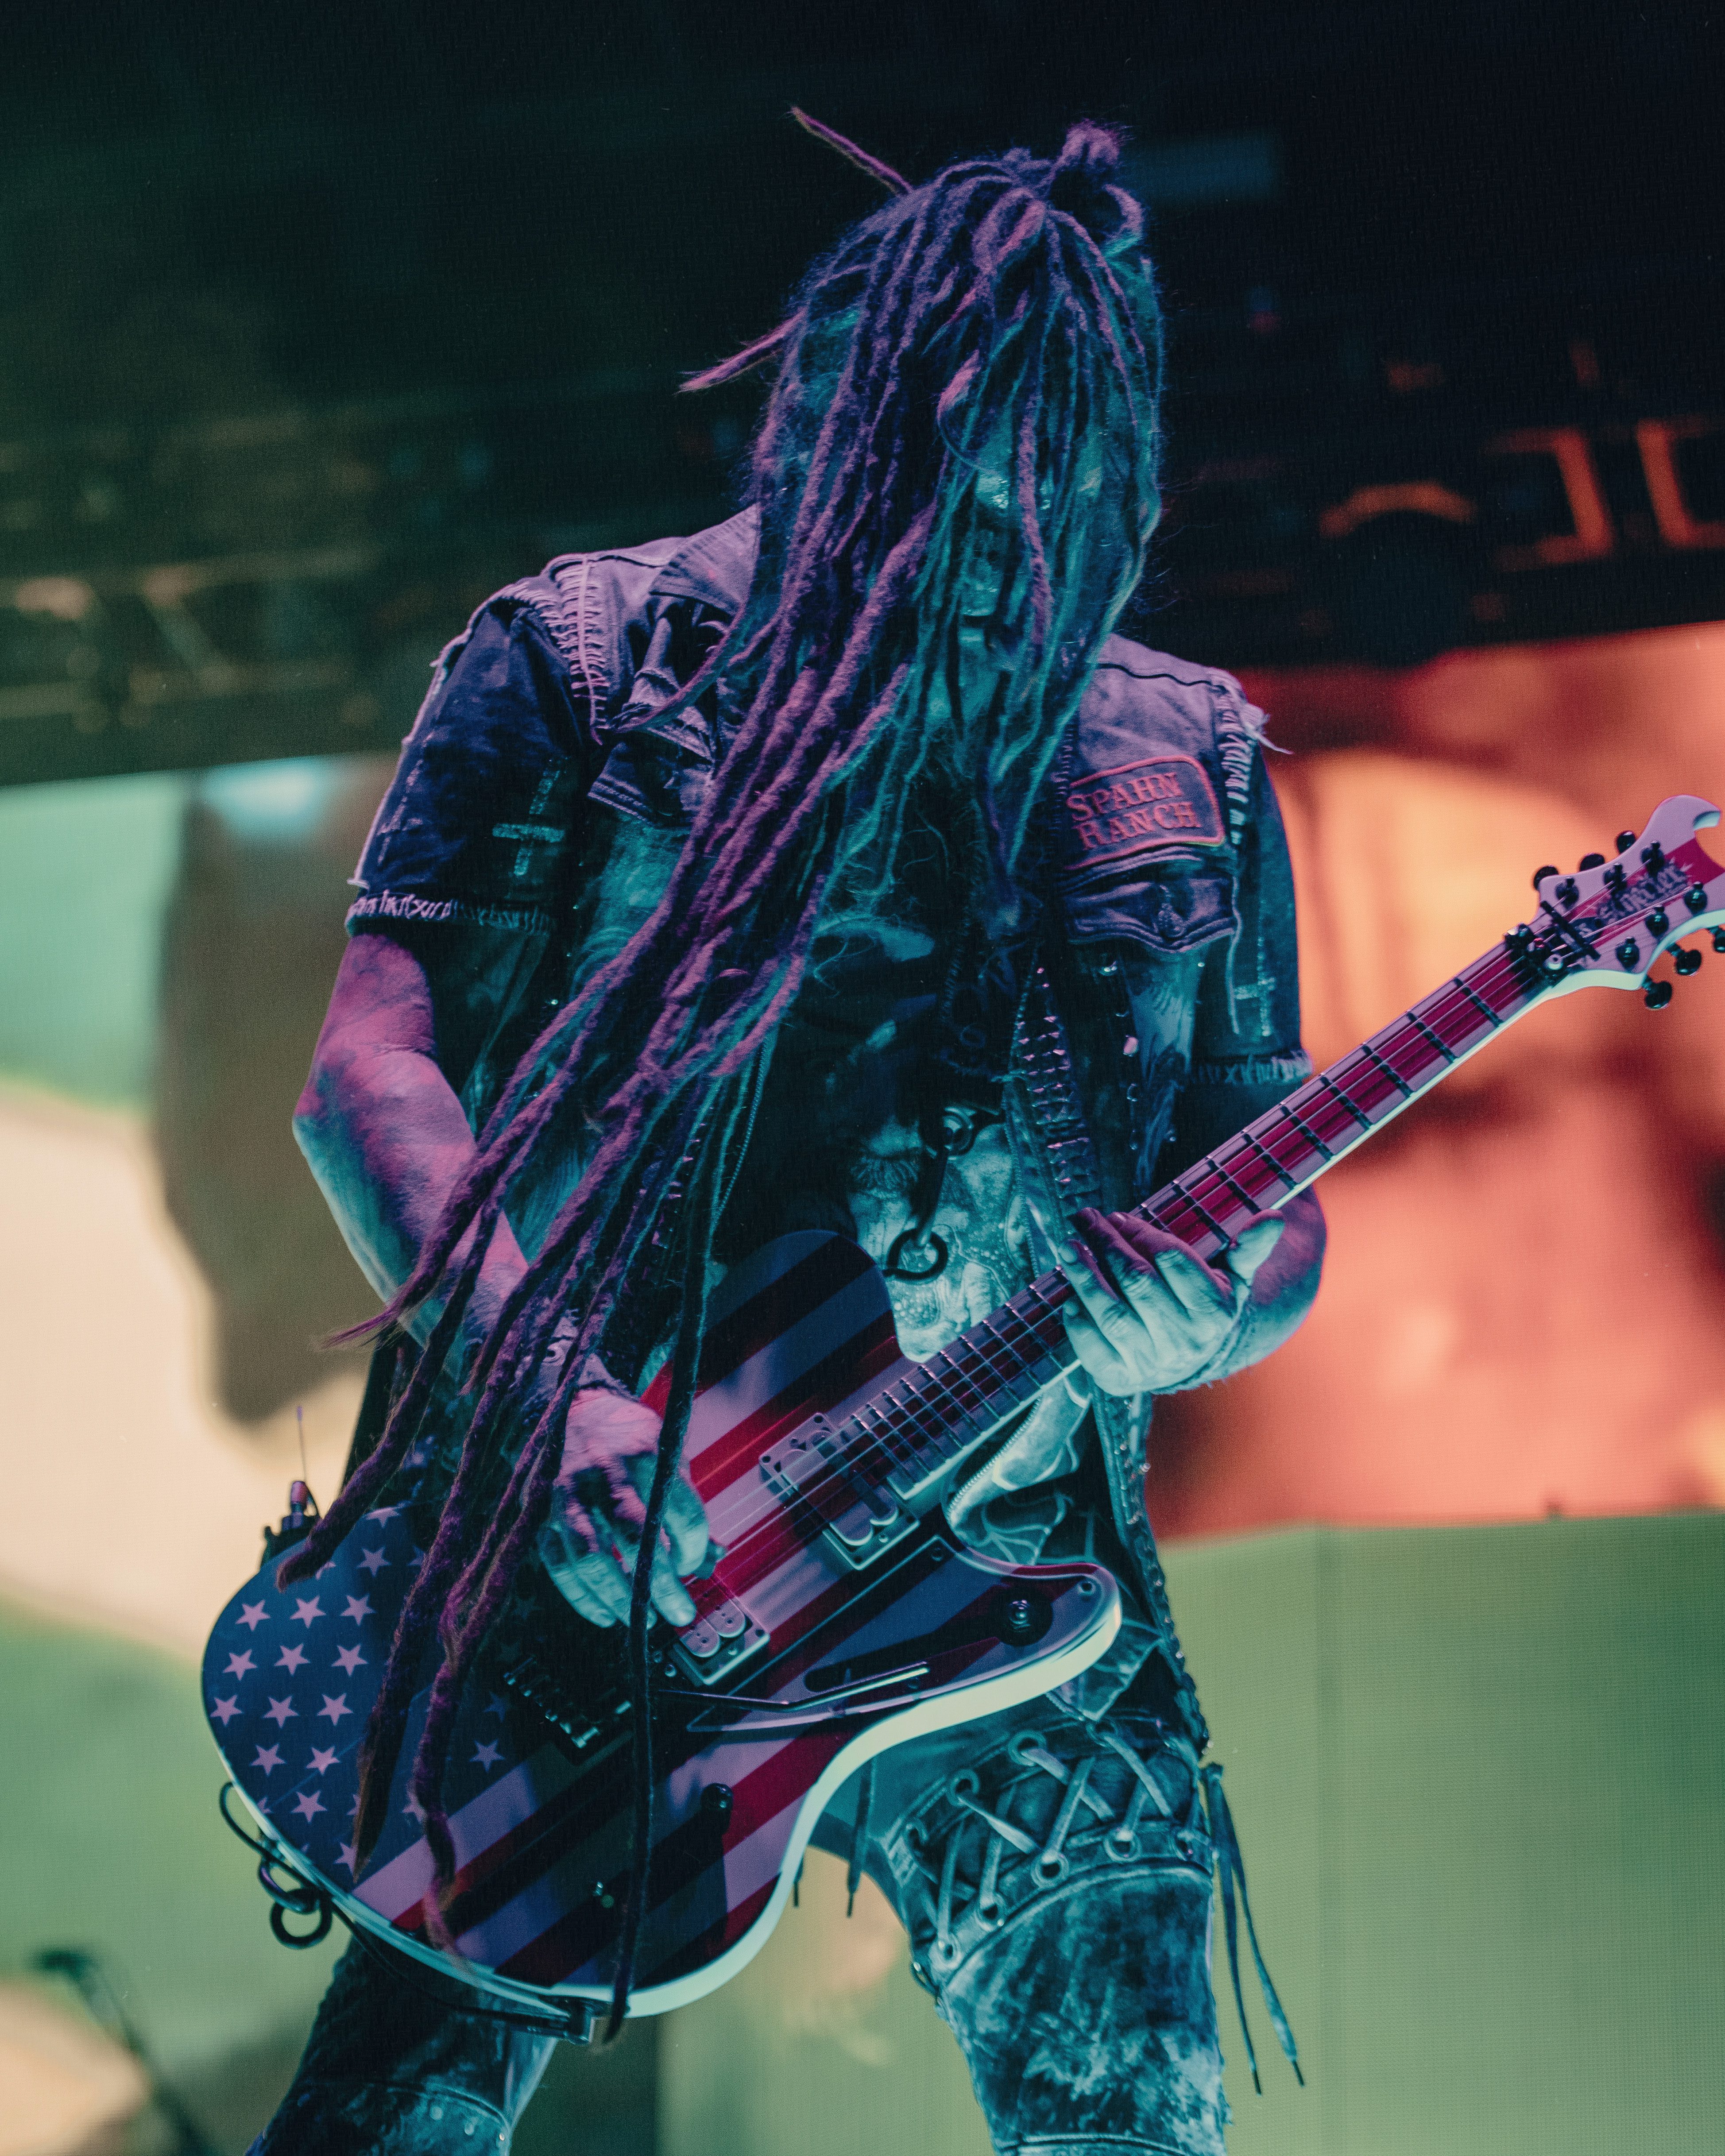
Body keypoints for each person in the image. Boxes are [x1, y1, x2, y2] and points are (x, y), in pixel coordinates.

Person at [257, 116, 1325, 2156]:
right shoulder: (586, 654)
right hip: (607, 1549)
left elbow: (1261, 1190)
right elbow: (367, 1079)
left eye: (1038, 476)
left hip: (1005, 1558)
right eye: (940, 457)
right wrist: (554, 1408)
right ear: (832, 411)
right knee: (400, 2122)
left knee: (1131, 2126)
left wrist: (1196, 1315)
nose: (987, 526)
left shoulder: (1180, 742)